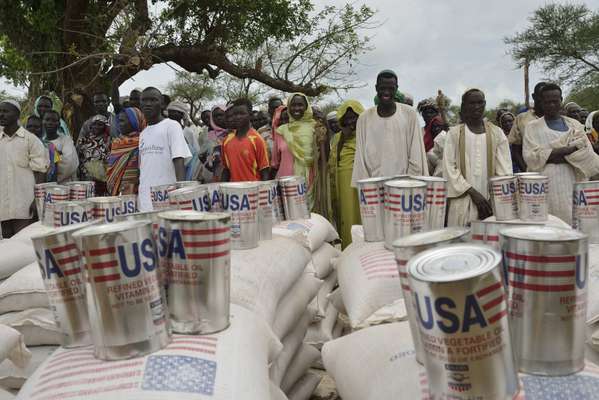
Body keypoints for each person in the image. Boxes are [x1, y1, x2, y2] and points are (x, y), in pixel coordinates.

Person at [523, 83, 598, 224]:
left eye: (555, 101)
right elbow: (530, 157)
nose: (551, 105)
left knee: (575, 223)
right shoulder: (532, 128)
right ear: (541, 103)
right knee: (550, 224)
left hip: (573, 182)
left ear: (561, 100)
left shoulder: (575, 125)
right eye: (547, 102)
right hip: (545, 186)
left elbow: (586, 154)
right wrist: (568, 150)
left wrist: (549, 156)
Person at [443, 89, 513, 227]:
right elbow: (449, 168)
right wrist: (473, 194)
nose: (476, 107)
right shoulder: (454, 134)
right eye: (472, 103)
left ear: (485, 104)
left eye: (480, 102)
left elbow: (505, 171)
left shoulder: (497, 133)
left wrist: (491, 200)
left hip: (490, 203)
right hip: (462, 200)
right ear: (464, 106)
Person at [352, 70, 428, 185]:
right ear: (376, 88)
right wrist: (367, 187)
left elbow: (416, 153)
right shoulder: (364, 119)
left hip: (404, 186)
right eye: (382, 88)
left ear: (396, 88)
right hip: (374, 186)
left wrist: (409, 183)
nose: (386, 92)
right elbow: (360, 159)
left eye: (391, 88)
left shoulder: (409, 114)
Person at [0, 100, 49, 237]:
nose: (1, 114)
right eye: (0, 111)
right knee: (7, 244)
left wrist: (36, 200)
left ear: (17, 114)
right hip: (3, 204)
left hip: (25, 204)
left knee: (23, 242)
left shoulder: (30, 140)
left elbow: (41, 171)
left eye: (5, 111)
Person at [138, 87, 191, 211]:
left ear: (162, 103)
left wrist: (180, 194)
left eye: (153, 100)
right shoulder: (143, 133)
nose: (148, 104)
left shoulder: (172, 126)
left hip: (166, 198)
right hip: (145, 200)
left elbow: (179, 160)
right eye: (144, 100)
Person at [276, 93, 330, 216]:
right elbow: (276, 162)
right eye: (293, 105)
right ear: (289, 107)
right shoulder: (281, 131)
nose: (296, 109)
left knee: (311, 219)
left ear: (306, 107)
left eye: (300, 105)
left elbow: (324, 155)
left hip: (311, 180)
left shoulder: (316, 127)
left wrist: (325, 124)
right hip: (287, 183)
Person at [329, 100, 364, 248]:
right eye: (347, 118)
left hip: (363, 183)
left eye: (354, 117)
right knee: (347, 217)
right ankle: (349, 249)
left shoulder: (366, 133)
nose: (351, 121)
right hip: (344, 185)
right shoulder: (338, 137)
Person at [221, 99, 270, 182]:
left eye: (242, 114)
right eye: (235, 114)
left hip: (253, 190)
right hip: (234, 192)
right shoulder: (226, 141)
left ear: (250, 115)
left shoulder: (257, 140)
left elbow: (264, 170)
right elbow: (226, 170)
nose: (238, 117)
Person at [508, 82, 548, 172]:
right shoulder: (522, 119)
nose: (544, 99)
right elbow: (515, 150)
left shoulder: (560, 120)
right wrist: (527, 171)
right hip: (531, 173)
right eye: (541, 96)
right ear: (534, 96)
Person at [106, 107, 147, 195]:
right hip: (118, 191)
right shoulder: (117, 143)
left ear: (134, 122)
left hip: (139, 192)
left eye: (122, 121)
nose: (119, 124)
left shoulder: (144, 141)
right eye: (119, 121)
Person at [76, 115, 112, 195]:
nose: (97, 127)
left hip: (103, 180)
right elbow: (78, 157)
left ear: (105, 126)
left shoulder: (108, 141)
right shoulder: (84, 140)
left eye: (100, 124)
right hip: (87, 179)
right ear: (91, 126)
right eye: (94, 124)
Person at [167, 100, 202, 180]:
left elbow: (196, 153)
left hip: (186, 170)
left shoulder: (188, 132)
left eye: (176, 112)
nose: (173, 114)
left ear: (182, 115)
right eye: (171, 112)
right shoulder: (164, 130)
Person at [43, 110, 79, 183]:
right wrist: (57, 156)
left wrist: (49, 160)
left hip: (65, 185)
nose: (50, 123)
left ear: (59, 124)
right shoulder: (40, 142)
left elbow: (70, 163)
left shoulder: (66, 140)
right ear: (42, 122)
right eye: (47, 120)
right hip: (44, 185)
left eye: (54, 120)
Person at [270, 105, 293, 178]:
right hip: (285, 180)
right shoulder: (279, 135)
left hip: (305, 178)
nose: (284, 122)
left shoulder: (305, 132)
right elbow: (275, 163)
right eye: (281, 119)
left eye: (287, 118)